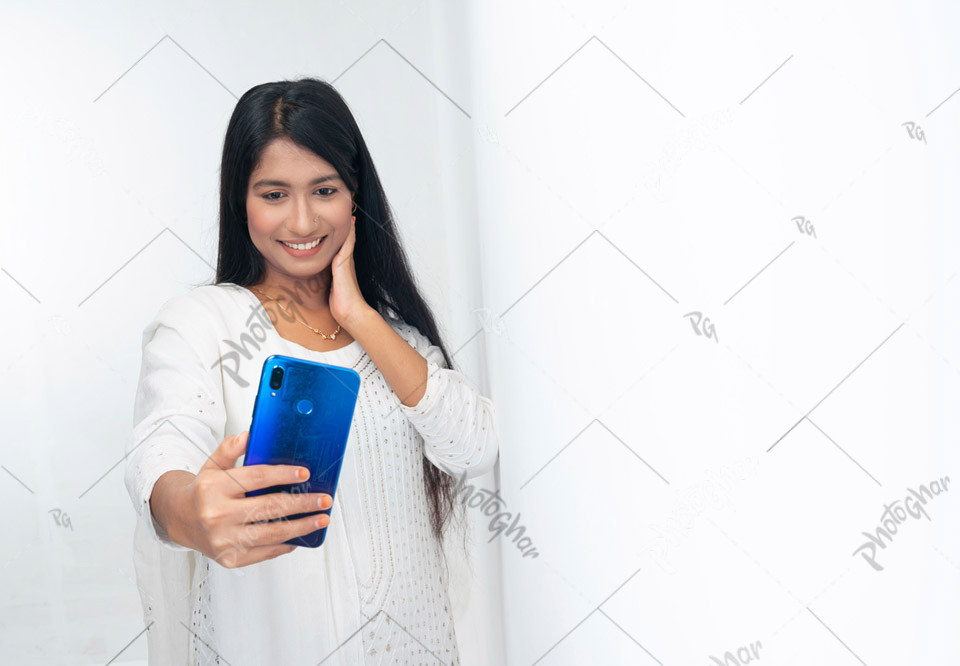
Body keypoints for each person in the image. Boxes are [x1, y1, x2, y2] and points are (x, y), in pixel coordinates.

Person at [123, 77, 500, 665]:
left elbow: (475, 446)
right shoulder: (201, 323)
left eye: (323, 190)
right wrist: (189, 511)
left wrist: (358, 316)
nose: (301, 222)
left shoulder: (399, 340)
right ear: (239, 200)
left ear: (355, 197)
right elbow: (162, 446)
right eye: (273, 194)